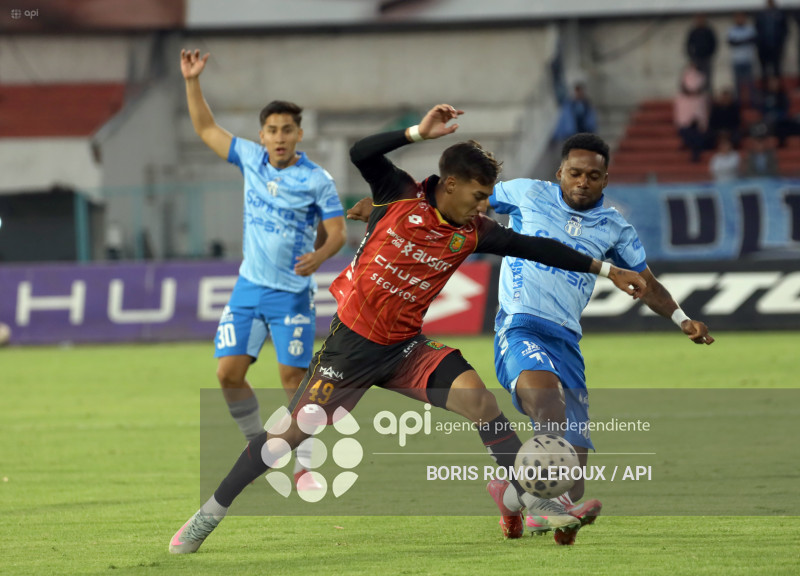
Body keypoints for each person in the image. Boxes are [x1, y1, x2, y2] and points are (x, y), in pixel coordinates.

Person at [168, 104, 647, 554]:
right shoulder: (397, 193)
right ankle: (209, 514)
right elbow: (361, 152)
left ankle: (535, 500)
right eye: (479, 197)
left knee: (481, 403)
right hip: (350, 351)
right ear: (452, 184)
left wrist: (607, 270)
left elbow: (538, 248)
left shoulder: (473, 231)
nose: (484, 208)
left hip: (405, 350)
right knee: (282, 442)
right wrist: (417, 133)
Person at [489, 132, 715, 542]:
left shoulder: (614, 227)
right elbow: (468, 199)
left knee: (573, 479)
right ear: (560, 172)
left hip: (567, 343)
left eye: (593, 175)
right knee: (548, 404)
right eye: (574, 173)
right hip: (520, 324)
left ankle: (511, 500)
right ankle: (547, 509)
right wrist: (393, 212)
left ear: (605, 179)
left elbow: (645, 283)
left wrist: (682, 318)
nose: (582, 182)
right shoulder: (526, 193)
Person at [180, 49, 347, 488]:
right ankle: (259, 443)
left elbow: (337, 232)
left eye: (287, 130)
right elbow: (204, 128)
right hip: (249, 288)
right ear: (262, 134)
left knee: (293, 378)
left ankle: (304, 462)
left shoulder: (316, 180)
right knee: (227, 373)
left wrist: (320, 255)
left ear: (299, 134)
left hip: (291, 293)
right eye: (272, 130)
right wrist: (193, 80)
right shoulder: (250, 159)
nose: (279, 137)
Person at [674, 62, 710, 162]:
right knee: (690, 133)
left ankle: (694, 151)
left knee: (698, 134)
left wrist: (701, 123)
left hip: (698, 125)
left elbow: (703, 116)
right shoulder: (681, 98)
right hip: (686, 126)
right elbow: (679, 117)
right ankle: (695, 151)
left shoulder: (702, 98)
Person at [727, 12, 758, 104]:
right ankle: (739, 103)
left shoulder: (750, 29)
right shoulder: (731, 29)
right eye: (738, 18)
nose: (740, 20)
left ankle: (752, 103)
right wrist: (745, 40)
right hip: (737, 61)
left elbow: (753, 40)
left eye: (742, 17)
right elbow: (732, 43)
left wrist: (739, 41)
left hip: (748, 60)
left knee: (750, 84)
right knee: (737, 85)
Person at [754, 0, 789, 83]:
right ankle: (766, 91)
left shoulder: (780, 14)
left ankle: (778, 92)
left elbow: (785, 29)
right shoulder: (761, 15)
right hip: (763, 47)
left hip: (776, 46)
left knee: (777, 69)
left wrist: (781, 42)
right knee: (764, 71)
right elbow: (757, 29)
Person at [686, 14, 718, 92]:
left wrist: (710, 55)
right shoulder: (693, 32)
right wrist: (692, 58)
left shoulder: (708, 31)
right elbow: (688, 45)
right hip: (696, 59)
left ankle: (708, 98)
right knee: (696, 81)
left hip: (707, 59)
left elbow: (714, 44)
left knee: (707, 81)